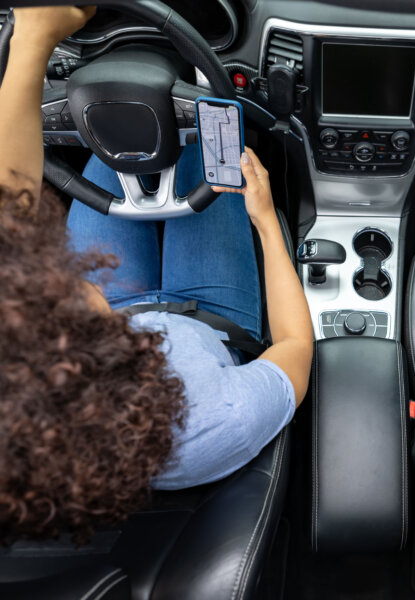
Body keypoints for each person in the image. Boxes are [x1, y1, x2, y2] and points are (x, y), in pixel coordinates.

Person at [0, 6, 313, 544]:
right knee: (197, 132)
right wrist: (265, 220)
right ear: (91, 351)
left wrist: (32, 39)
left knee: (118, 140)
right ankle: (192, 64)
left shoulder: (39, 403)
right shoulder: (215, 424)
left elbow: (12, 217)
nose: (55, 282)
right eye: (59, 303)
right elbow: (294, 345)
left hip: (123, 304)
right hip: (213, 317)